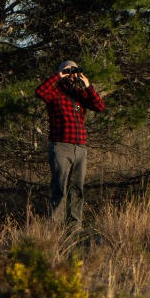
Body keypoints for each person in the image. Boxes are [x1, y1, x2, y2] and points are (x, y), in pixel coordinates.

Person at [35, 60, 106, 228]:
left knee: (77, 189)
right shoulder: (54, 93)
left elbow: (100, 106)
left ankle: (75, 227)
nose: (71, 75)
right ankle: (54, 226)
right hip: (61, 146)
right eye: (67, 71)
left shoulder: (80, 95)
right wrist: (58, 76)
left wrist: (88, 85)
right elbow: (39, 92)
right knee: (59, 188)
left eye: (73, 71)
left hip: (80, 147)